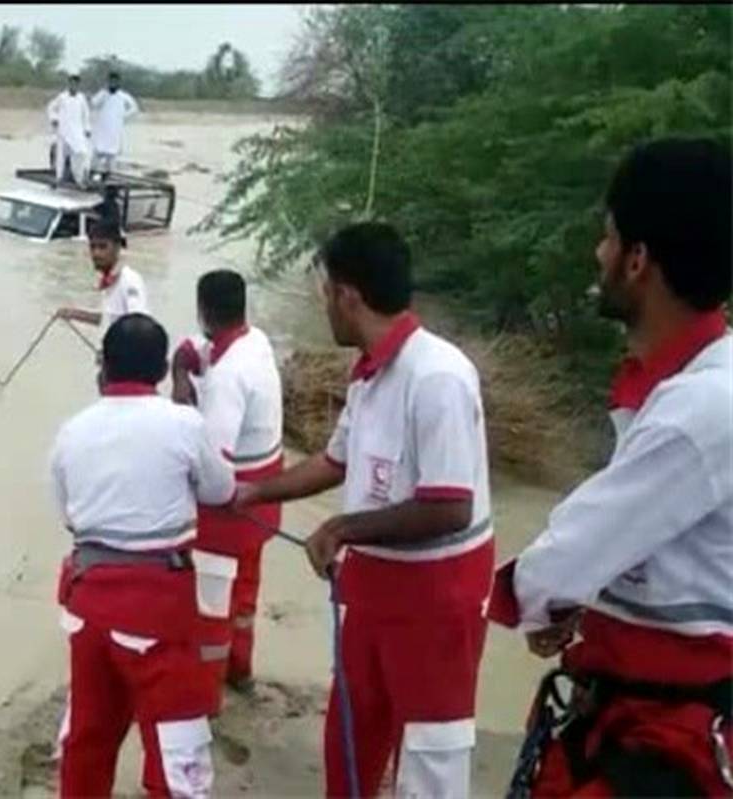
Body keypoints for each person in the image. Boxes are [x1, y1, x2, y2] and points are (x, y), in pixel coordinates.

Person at [487, 138, 732, 797]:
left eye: (607, 236)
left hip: (662, 735)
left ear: (638, 260)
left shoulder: (700, 408)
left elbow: (569, 550)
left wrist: (527, 600)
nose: (597, 254)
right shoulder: (685, 388)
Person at [236, 222, 494, 798]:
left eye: (325, 291)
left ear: (348, 296)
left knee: (429, 758)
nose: (323, 303)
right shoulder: (369, 376)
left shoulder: (439, 377)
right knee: (352, 733)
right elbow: (335, 461)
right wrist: (253, 491)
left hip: (436, 601)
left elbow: (449, 506)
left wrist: (341, 527)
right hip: (373, 590)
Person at [50, 312, 235, 798]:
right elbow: (221, 490)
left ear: (104, 368)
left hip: (87, 603)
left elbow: (69, 517)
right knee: (177, 748)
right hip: (158, 610)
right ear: (159, 372)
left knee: (88, 734)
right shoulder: (184, 424)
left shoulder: (71, 431)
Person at [169, 269, 284, 708]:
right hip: (266, 499)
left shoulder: (227, 378)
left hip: (233, 508)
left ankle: (205, 695)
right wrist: (181, 373)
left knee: (212, 604)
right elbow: (190, 349)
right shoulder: (254, 342)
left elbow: (215, 473)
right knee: (246, 595)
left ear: (203, 310)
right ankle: (240, 671)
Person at [55, 220, 147, 332]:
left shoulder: (130, 280)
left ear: (117, 247)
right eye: (92, 247)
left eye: (103, 247)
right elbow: (109, 319)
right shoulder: (109, 281)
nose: (96, 253)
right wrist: (73, 314)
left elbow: (139, 326)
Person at [90, 71, 139, 179]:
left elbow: (134, 108)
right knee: (96, 157)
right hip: (102, 130)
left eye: (115, 81)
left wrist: (123, 117)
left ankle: (109, 181)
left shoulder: (123, 96)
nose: (112, 83)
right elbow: (93, 103)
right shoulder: (103, 94)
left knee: (111, 160)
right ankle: (92, 178)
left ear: (118, 83)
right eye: (110, 81)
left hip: (114, 132)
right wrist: (103, 92)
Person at [47, 74, 91, 190]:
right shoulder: (62, 97)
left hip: (77, 131)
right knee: (60, 156)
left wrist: (87, 128)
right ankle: (59, 177)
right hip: (64, 131)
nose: (73, 85)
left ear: (78, 85)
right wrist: (54, 119)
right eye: (71, 83)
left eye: (76, 83)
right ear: (69, 84)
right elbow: (51, 107)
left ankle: (79, 178)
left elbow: (86, 114)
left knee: (81, 153)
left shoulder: (82, 98)